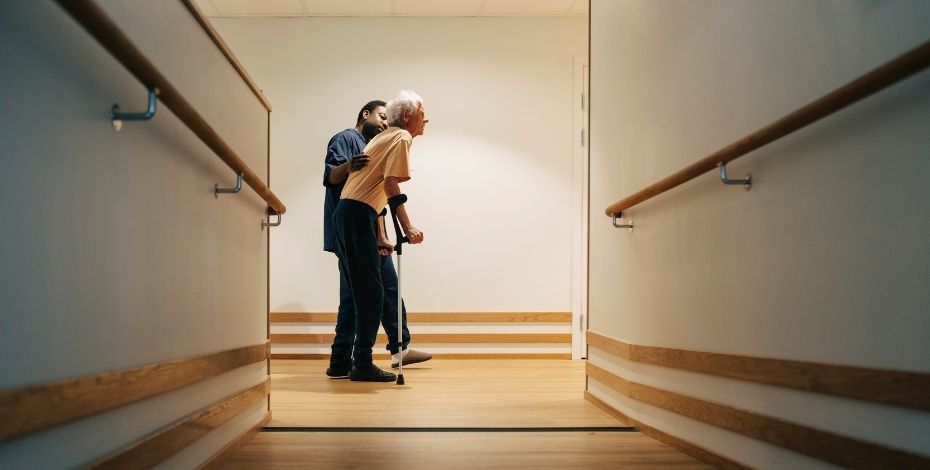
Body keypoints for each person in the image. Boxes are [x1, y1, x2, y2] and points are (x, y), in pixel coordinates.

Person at [323, 98, 431, 381]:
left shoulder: (384, 137)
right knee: (368, 294)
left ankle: (349, 362)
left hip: (356, 215)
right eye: (423, 113)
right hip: (355, 215)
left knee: (366, 293)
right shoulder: (400, 136)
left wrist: (383, 234)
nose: (427, 119)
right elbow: (389, 183)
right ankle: (360, 364)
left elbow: (379, 188)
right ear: (408, 116)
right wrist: (408, 227)